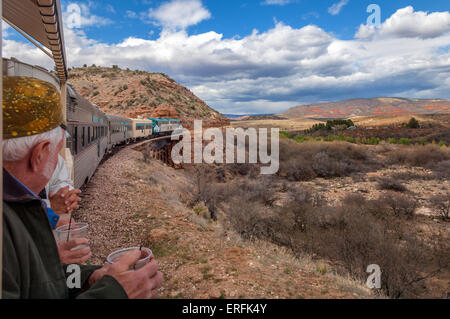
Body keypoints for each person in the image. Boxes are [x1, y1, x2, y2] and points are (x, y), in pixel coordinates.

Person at [2, 75, 163, 299]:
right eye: (57, 151)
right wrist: (114, 292)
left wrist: (90, 277)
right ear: (39, 155)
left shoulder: (18, 206)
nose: (59, 161)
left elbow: (36, 283)